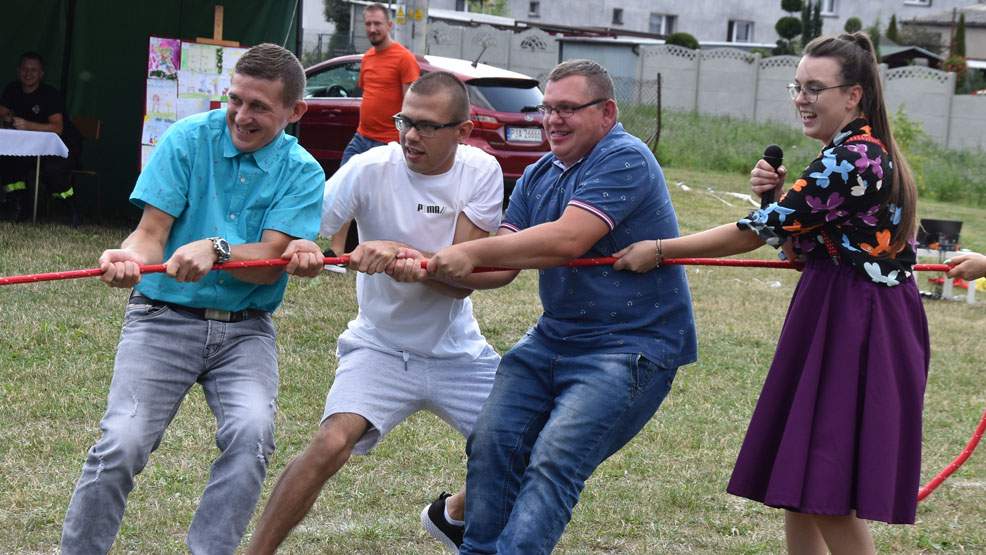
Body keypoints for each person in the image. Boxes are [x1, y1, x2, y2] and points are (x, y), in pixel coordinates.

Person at [614, 33, 929, 554]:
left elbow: (753, 232)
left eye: (815, 88)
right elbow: (801, 244)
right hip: (841, 308)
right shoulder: (851, 153)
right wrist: (774, 197)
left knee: (826, 484)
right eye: (797, 86)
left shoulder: (854, 158)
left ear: (852, 95)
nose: (801, 98)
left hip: (856, 319)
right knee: (803, 478)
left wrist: (661, 249)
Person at [420, 59, 697, 554]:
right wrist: (423, 264)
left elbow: (567, 239)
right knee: (492, 445)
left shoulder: (625, 157)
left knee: (553, 460)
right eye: (547, 108)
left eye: (567, 108)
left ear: (607, 111)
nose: (552, 120)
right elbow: (503, 267)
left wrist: (469, 251)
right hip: (554, 337)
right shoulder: (537, 174)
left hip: (631, 347)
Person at [60, 43, 325, 554]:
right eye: (236, 100)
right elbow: (150, 232)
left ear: (296, 113)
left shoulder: (303, 171)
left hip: (245, 329)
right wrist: (128, 259)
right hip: (162, 318)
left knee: (251, 436)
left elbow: (270, 259)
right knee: (122, 443)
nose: (241, 116)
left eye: (259, 107)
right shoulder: (186, 139)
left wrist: (217, 249)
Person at [245, 71, 503, 554]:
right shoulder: (369, 167)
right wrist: (301, 246)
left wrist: (404, 255)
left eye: (428, 126)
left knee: (525, 445)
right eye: (406, 120)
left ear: (463, 132)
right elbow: (304, 230)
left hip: (458, 353)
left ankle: (452, 515)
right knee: (328, 445)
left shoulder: (480, 171)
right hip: (379, 348)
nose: (410, 135)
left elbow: (462, 281)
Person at [324, 2, 421, 267]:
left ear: (389, 25)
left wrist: (404, 138)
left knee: (385, 200)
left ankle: (385, 250)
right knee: (344, 187)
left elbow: (410, 104)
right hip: (362, 135)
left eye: (377, 23)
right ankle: (336, 254)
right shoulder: (367, 58)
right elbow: (370, 94)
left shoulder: (404, 58)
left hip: (388, 139)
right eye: (368, 24)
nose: (372, 28)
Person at [0, 51, 83, 224]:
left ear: (41, 74)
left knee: (52, 173)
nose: (28, 74)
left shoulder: (50, 94)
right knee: (7, 161)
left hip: (62, 147)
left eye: (33, 70)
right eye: (24, 69)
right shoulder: (12, 89)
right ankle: (19, 208)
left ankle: (73, 210)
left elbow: (57, 128)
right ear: (18, 70)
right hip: (29, 148)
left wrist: (27, 124)